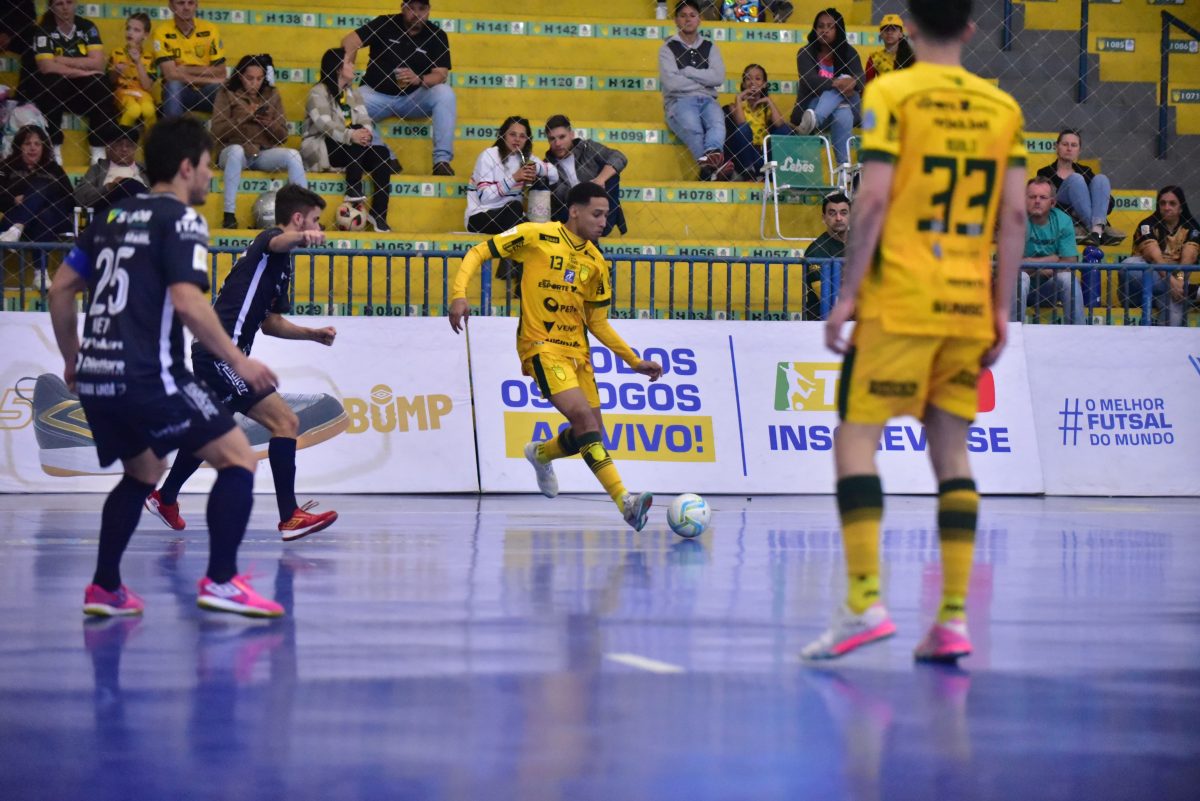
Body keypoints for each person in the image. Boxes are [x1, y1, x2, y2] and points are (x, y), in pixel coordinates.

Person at [807, 0, 1027, 663]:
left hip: (899, 299)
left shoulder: (894, 90)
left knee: (854, 440)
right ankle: (953, 619)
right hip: (965, 302)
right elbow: (1014, 219)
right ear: (968, 27)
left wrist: (847, 292)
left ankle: (865, 600)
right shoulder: (1002, 108)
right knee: (953, 456)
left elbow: (872, 198)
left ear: (908, 25)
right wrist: (1000, 308)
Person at [46, 115, 284, 618]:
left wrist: (73, 359)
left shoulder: (109, 219)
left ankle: (105, 587)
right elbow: (189, 302)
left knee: (144, 469)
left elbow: (60, 288)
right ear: (185, 167)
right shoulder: (181, 220)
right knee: (238, 458)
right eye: (206, 167)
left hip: (96, 374)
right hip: (148, 374)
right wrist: (239, 360)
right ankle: (221, 581)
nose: (209, 177)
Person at [448, 182, 663, 532]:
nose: (603, 222)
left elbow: (597, 322)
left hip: (579, 353)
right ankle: (626, 501)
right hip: (541, 346)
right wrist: (459, 295)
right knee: (583, 418)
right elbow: (479, 252)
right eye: (596, 214)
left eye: (606, 215)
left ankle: (542, 453)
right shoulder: (537, 237)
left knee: (591, 432)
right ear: (574, 211)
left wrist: (632, 360)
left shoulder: (596, 261)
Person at [144, 183, 340, 541]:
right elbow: (280, 240)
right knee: (285, 421)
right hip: (220, 354)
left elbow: (270, 322)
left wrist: (311, 333)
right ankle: (289, 516)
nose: (317, 226)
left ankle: (165, 497)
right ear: (297, 219)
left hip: (219, 353)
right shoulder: (271, 242)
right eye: (314, 220)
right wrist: (301, 237)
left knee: (211, 428)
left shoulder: (280, 267)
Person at [341, 0, 456, 176]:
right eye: (411, 8)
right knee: (348, 101)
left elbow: (441, 74)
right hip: (376, 94)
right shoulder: (385, 23)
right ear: (402, 7)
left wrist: (419, 79)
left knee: (445, 93)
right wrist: (347, 71)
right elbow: (349, 41)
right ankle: (386, 157)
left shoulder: (437, 35)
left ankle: (441, 161)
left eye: (422, 8)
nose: (417, 13)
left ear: (429, 10)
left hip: (413, 98)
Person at [303, 48, 397, 233]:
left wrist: (365, 133)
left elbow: (365, 120)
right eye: (349, 63)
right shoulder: (317, 92)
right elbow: (325, 125)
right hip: (323, 148)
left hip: (351, 150)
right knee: (354, 131)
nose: (354, 66)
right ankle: (353, 187)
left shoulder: (352, 93)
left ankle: (379, 213)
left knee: (382, 153)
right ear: (338, 68)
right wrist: (352, 135)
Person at [211, 54, 308, 230]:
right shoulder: (226, 92)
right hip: (234, 152)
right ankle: (229, 215)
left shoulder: (272, 94)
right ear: (240, 76)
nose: (254, 83)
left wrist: (269, 124)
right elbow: (217, 131)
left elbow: (283, 136)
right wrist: (246, 117)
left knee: (293, 155)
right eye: (249, 78)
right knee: (236, 152)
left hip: (262, 153)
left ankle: (305, 215)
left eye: (259, 78)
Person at [19, 0, 118, 164]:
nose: (65, 7)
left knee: (100, 83)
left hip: (82, 93)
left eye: (69, 2)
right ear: (51, 7)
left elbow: (98, 63)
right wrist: (81, 69)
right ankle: (54, 147)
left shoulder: (87, 26)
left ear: (75, 4)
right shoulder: (44, 30)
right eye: (59, 3)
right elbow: (46, 66)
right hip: (56, 93)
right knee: (52, 81)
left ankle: (98, 149)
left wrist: (61, 60)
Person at [659, 1, 731, 181]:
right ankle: (716, 167)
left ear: (699, 19)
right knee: (693, 127)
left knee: (717, 122)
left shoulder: (710, 47)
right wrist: (703, 82)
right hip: (679, 101)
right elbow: (672, 83)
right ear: (676, 20)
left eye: (692, 15)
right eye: (683, 16)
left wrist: (689, 72)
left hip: (708, 100)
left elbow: (718, 77)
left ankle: (710, 166)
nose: (688, 19)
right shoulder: (667, 48)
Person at [792, 8, 864, 166]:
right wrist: (837, 83)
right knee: (842, 110)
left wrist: (850, 82)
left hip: (821, 114)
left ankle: (814, 120)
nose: (824, 30)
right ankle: (844, 168)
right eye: (820, 26)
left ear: (838, 30)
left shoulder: (848, 52)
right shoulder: (805, 52)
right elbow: (809, 81)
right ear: (815, 29)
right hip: (813, 104)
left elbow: (861, 78)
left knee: (846, 84)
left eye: (830, 27)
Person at [1120, 185, 1199, 326]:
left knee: (1175, 310)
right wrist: (1173, 282)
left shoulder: (1191, 228)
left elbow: (1189, 259)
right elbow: (1154, 257)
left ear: (1181, 208)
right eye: (1163, 203)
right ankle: (1192, 290)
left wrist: (1178, 281)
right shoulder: (1147, 225)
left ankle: (1165, 345)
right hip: (1137, 291)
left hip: (1172, 289)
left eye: (1172, 203)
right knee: (1129, 265)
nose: (1167, 207)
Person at [465, 115, 556, 234]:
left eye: (522, 136)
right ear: (503, 135)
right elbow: (485, 198)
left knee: (541, 182)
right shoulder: (488, 155)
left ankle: (534, 229)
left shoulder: (526, 158)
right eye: (512, 134)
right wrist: (514, 178)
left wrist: (536, 168)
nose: (517, 139)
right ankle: (533, 231)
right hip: (480, 216)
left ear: (527, 140)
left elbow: (555, 174)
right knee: (515, 207)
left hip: (513, 218)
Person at [1035, 129, 1124, 247]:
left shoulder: (1086, 171)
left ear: (1079, 150)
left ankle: (1096, 231)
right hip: (1064, 217)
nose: (1069, 148)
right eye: (1065, 144)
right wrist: (1076, 209)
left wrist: (1085, 207)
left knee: (1101, 179)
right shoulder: (1045, 172)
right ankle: (1098, 229)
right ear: (1057, 147)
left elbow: (1109, 202)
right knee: (1076, 179)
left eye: (1074, 145)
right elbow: (1046, 203)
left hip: (1084, 220)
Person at [1015, 176, 1085, 325]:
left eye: (1043, 197)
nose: (1037, 201)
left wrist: (1029, 264)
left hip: (1050, 289)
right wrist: (1051, 260)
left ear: (1052, 202)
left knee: (1068, 280)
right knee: (1020, 278)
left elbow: (1069, 263)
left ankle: (1079, 335)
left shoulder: (1063, 221)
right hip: (1018, 289)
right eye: (1032, 197)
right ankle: (1012, 335)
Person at [544, 114, 628, 236]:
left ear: (571, 135)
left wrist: (600, 180)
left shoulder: (587, 148)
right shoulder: (547, 166)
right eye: (552, 139)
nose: (557, 143)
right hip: (572, 217)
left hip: (599, 213)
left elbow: (620, 157)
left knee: (612, 175)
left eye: (562, 137)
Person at [0, 124, 74, 253]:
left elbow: (70, 199)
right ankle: (41, 271)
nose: (32, 148)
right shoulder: (6, 167)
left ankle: (17, 227)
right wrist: (13, 200)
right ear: (19, 146)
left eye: (37, 144)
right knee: (43, 214)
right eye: (27, 144)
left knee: (42, 188)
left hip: (54, 219)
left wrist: (43, 200)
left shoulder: (54, 169)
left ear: (43, 147)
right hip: (16, 215)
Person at [153, 0, 226, 116]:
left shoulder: (210, 29)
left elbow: (221, 72)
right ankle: (174, 132)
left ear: (196, 5)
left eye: (190, 3)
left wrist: (186, 69)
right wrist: (210, 78)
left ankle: (222, 132)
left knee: (222, 89)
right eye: (181, 3)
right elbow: (171, 75)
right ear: (171, 6)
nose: (186, 7)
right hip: (179, 93)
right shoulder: (162, 32)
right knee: (173, 85)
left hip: (206, 92)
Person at [724, 63, 793, 179]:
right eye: (748, 79)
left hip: (763, 154)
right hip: (744, 155)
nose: (752, 83)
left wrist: (769, 101)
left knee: (785, 130)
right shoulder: (735, 106)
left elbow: (780, 125)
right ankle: (749, 172)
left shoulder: (766, 108)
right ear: (743, 84)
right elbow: (741, 124)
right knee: (744, 129)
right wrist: (739, 98)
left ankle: (766, 174)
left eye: (758, 79)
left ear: (764, 84)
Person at [73, 126, 149, 215]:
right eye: (119, 144)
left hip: (141, 213)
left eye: (129, 145)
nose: (124, 149)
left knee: (131, 185)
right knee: (125, 185)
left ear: (135, 148)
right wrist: (109, 187)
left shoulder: (146, 170)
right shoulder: (97, 169)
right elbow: (80, 197)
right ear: (109, 147)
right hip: (108, 213)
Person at [802, 192, 850, 320]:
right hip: (822, 321)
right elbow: (828, 300)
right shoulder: (816, 251)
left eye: (844, 213)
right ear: (824, 218)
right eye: (832, 213)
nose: (839, 218)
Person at [108, 12, 156, 129]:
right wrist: (116, 71)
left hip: (142, 93)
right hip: (123, 92)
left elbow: (147, 87)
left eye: (136, 30)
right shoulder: (117, 53)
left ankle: (152, 144)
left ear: (145, 35)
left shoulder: (149, 57)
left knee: (149, 110)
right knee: (133, 110)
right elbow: (110, 82)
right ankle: (121, 141)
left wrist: (138, 61)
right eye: (128, 28)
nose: (130, 32)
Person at [864, 14, 915, 83]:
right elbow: (868, 85)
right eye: (886, 29)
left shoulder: (911, 56)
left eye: (893, 29)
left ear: (900, 34)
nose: (889, 32)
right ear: (881, 34)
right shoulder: (874, 58)